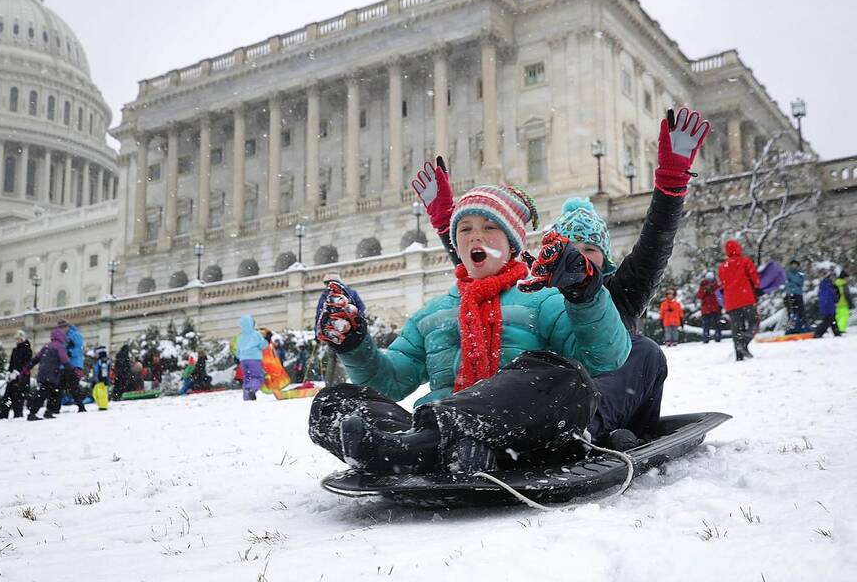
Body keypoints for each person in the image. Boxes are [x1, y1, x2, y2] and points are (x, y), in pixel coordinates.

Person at [409, 108, 709, 447]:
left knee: (645, 351)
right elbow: (486, 265)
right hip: (553, 407)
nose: (580, 255)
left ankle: (595, 432)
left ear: (605, 258)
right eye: (572, 248)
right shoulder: (539, 289)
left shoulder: (621, 290)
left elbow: (655, 246)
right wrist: (449, 221)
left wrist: (671, 184)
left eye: (590, 248)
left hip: (603, 406)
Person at [309, 184, 633, 473]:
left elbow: (604, 358)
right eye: (465, 229)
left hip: (523, 439)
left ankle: (411, 450)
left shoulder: (542, 300)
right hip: (434, 425)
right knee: (333, 402)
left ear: (511, 244)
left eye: (490, 227)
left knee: (565, 378)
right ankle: (436, 447)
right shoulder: (433, 314)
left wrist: (585, 295)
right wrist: (353, 344)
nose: (476, 236)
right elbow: (389, 382)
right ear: (457, 244)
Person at [717, 239, 761, 361]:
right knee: (755, 322)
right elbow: (754, 276)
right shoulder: (745, 261)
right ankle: (744, 341)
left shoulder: (722, 266)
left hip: (731, 302)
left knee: (737, 329)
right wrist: (757, 287)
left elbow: (721, 283)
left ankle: (739, 356)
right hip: (746, 299)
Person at [25, 326, 70, 420]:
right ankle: (33, 413)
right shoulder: (59, 346)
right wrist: (72, 369)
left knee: (50, 392)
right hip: (53, 374)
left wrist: (28, 367)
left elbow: (36, 358)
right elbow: (64, 360)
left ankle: (48, 412)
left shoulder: (46, 346)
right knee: (48, 393)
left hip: (43, 373)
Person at [51, 320, 86, 414]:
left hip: (74, 365)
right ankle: (56, 408)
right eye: (60, 328)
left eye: (64, 327)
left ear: (68, 326)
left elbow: (80, 348)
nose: (62, 329)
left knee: (73, 386)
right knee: (59, 387)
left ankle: (81, 406)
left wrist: (70, 353)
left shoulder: (75, 334)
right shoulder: (61, 337)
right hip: (64, 365)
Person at [0, 331, 34, 419]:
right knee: (7, 396)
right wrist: (9, 373)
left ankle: (18, 414)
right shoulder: (15, 350)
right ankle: (3, 414)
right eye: (16, 339)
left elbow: (27, 364)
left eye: (19, 338)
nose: (17, 340)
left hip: (22, 378)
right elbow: (12, 363)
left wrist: (18, 372)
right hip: (12, 377)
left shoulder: (28, 350)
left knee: (18, 397)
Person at [236, 315, 268, 401]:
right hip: (254, 359)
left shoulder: (240, 337)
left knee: (247, 378)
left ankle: (247, 397)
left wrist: (241, 357)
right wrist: (266, 340)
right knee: (257, 377)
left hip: (243, 360)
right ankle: (252, 389)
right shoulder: (256, 334)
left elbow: (237, 351)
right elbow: (263, 345)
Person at [695, 273, 724, 343]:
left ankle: (717, 337)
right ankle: (706, 338)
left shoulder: (717, 286)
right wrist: (705, 289)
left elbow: (720, 296)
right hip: (706, 309)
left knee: (717, 324)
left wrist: (721, 305)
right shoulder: (703, 285)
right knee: (706, 325)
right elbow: (699, 296)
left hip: (715, 308)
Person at [813, 269, 842, 338]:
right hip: (828, 305)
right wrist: (835, 300)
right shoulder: (829, 285)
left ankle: (836, 332)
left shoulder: (825, 285)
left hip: (826, 305)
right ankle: (818, 333)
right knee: (828, 320)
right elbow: (832, 296)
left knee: (832, 319)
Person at [783, 260, 809, 334]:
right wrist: (795, 282)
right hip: (789, 295)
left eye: (795, 265)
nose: (794, 266)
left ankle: (802, 328)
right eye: (793, 265)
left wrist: (792, 281)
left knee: (801, 312)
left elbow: (801, 282)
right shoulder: (787, 273)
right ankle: (791, 329)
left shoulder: (800, 274)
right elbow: (786, 283)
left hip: (798, 295)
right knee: (791, 312)